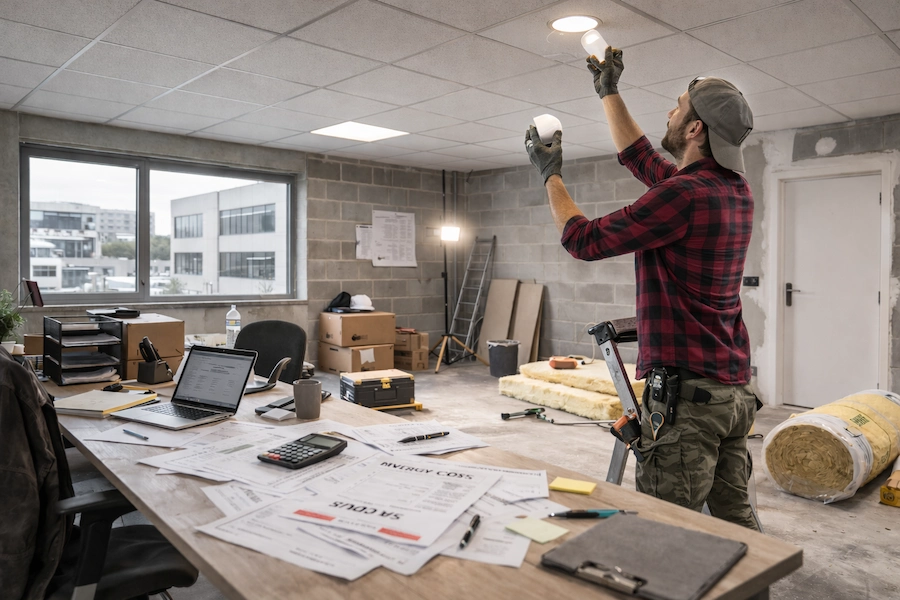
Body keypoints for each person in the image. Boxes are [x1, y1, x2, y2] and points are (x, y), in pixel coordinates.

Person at [525, 47, 760, 530]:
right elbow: (642, 159)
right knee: (735, 524)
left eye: (678, 107)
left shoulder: (684, 196)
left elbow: (582, 239)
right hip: (731, 393)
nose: (670, 113)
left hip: (688, 400)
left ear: (695, 129)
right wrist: (608, 91)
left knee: (663, 528)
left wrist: (550, 175)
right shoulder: (732, 188)